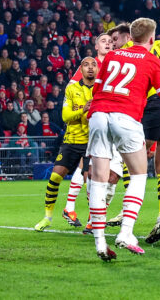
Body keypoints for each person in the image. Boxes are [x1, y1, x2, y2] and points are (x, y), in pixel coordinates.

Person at [86, 18, 160, 261]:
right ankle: (126, 233)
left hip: (98, 115)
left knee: (99, 180)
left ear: (130, 37)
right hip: (126, 117)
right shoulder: (153, 61)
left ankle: (100, 242)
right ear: (151, 39)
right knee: (139, 175)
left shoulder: (112, 56)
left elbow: (96, 89)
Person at [113, 24, 160, 245]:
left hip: (156, 103)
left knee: (132, 154)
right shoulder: (156, 45)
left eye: (115, 39)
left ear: (128, 37)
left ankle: (127, 211)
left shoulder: (130, 54)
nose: (114, 44)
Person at [35, 57, 99, 232]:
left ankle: (92, 220)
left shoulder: (101, 90)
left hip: (90, 143)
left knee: (90, 181)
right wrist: (83, 110)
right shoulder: (72, 88)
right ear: (81, 69)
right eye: (86, 65)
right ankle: (47, 217)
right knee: (55, 177)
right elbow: (65, 116)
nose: (91, 68)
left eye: (94, 65)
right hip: (71, 141)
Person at [62, 33, 113, 223]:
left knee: (93, 168)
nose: (108, 44)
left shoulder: (115, 62)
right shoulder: (90, 66)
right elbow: (72, 87)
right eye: (103, 41)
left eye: (110, 41)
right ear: (96, 46)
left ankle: (77, 210)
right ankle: (92, 215)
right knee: (94, 167)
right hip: (94, 121)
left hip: (108, 118)